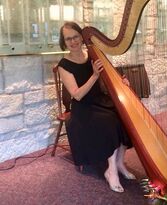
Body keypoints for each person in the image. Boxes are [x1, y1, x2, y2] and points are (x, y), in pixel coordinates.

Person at [57, 21, 136, 193]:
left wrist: (122, 82)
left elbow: (108, 78)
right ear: (64, 42)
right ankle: (111, 170)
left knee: (125, 115)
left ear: (82, 36)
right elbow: (77, 94)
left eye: (76, 36)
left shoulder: (92, 54)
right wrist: (93, 75)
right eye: (68, 39)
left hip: (99, 100)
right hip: (82, 107)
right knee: (110, 121)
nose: (73, 41)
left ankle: (120, 163)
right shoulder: (64, 65)